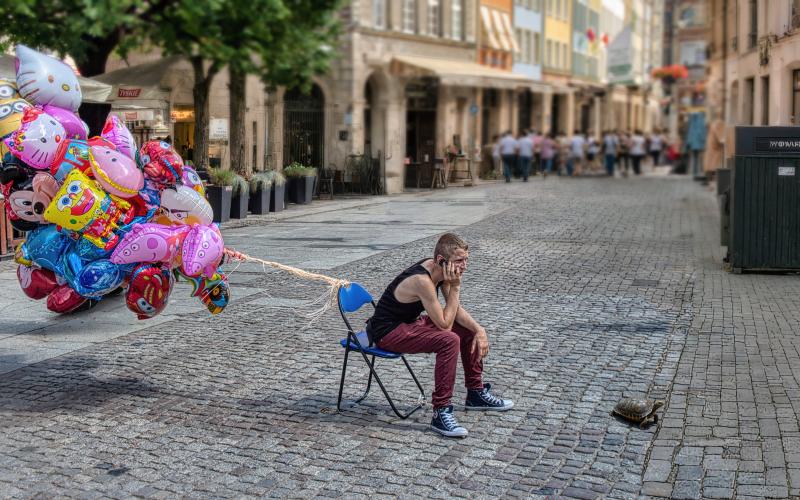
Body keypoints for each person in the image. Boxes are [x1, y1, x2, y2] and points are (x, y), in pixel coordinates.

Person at [366, 233, 513, 438]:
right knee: (449, 340)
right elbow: (445, 325)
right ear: (441, 260)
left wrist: (479, 329)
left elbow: (454, 311)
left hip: (410, 323)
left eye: (466, 260)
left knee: (467, 330)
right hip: (387, 332)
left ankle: (475, 393)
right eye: (459, 261)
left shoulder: (440, 270)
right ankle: (440, 412)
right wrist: (456, 287)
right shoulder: (422, 280)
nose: (464, 266)